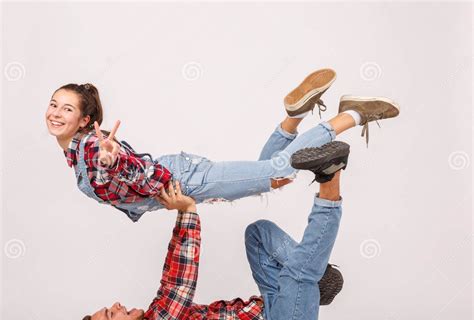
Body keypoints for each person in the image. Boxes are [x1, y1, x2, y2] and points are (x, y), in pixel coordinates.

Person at [79, 140, 351, 320]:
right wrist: (187, 211)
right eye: (111, 314)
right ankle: (330, 176)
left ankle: (312, 282)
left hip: (270, 308)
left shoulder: (152, 318)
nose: (116, 305)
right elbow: (178, 286)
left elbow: (168, 283)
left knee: (258, 234)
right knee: (297, 272)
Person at [46, 68, 399, 222]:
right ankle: (294, 116)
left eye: (67, 108)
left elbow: (123, 168)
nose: (56, 113)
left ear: (85, 121)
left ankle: (349, 116)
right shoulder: (75, 152)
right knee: (272, 174)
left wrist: (113, 162)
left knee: (278, 171)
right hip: (184, 176)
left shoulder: (89, 149)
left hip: (185, 180)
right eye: (54, 104)